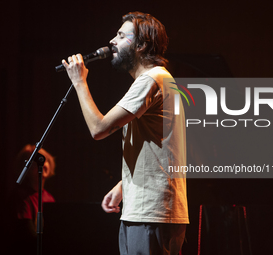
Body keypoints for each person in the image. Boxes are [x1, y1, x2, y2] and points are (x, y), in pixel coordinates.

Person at [62, 12, 188, 255]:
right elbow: (162, 148)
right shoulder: (160, 79)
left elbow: (99, 129)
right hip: (149, 210)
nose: (112, 41)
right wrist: (124, 186)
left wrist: (79, 83)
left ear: (140, 45)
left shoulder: (152, 78)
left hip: (151, 213)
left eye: (121, 35)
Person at [2, 145, 56, 255]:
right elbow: (26, 236)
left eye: (44, 160)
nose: (44, 164)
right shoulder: (21, 197)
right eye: (37, 161)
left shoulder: (49, 198)